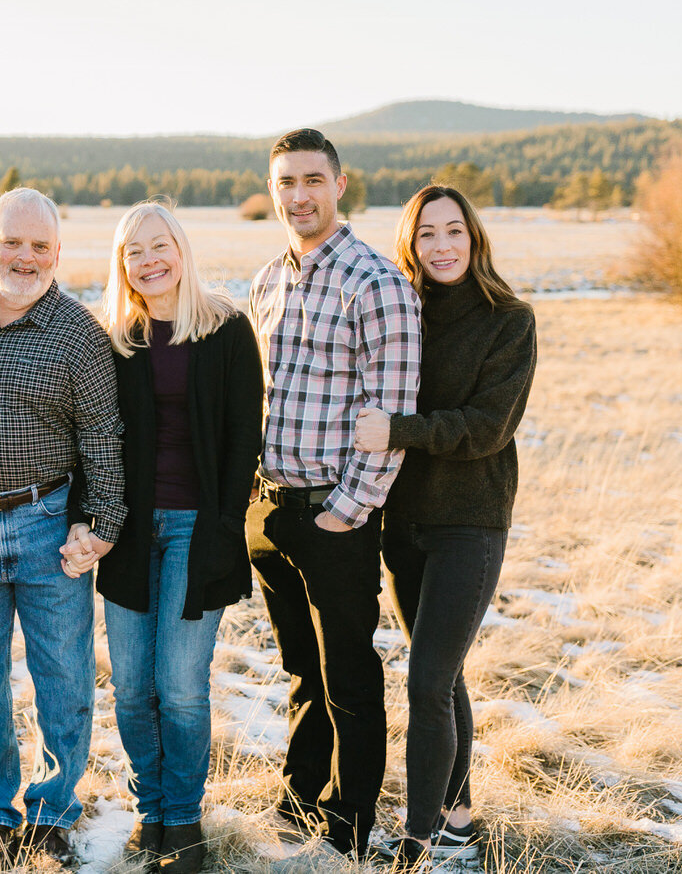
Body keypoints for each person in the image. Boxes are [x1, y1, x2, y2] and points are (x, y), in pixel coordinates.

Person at [0, 187, 126, 871]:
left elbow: (103, 437)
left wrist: (103, 524)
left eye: (40, 246)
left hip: (46, 524)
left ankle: (54, 810)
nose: (25, 256)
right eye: (11, 240)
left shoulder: (79, 334)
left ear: (58, 255)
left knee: (63, 674)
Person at [244, 128, 422, 859]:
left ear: (340, 185)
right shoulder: (267, 279)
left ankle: (349, 823)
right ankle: (300, 795)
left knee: (347, 674)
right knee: (299, 669)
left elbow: (394, 410)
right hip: (271, 507)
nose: (298, 196)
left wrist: (344, 513)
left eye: (313, 180)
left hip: (333, 513)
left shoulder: (375, 281)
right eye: (286, 182)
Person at [354, 185, 536, 872]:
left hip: (471, 522)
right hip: (404, 521)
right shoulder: (402, 313)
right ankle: (460, 815)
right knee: (444, 671)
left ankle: (417, 842)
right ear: (412, 244)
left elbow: (488, 428)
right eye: (427, 234)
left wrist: (398, 430)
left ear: (474, 235)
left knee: (427, 682)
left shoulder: (510, 320)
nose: (442, 245)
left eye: (453, 230)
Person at [87, 201, 263, 874]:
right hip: (129, 532)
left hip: (198, 528)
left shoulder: (225, 327)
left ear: (181, 251)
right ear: (122, 263)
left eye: (161, 245)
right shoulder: (115, 336)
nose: (150, 259)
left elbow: (245, 431)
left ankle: (183, 819)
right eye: (136, 250)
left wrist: (223, 525)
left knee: (181, 683)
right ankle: (149, 809)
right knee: (132, 685)